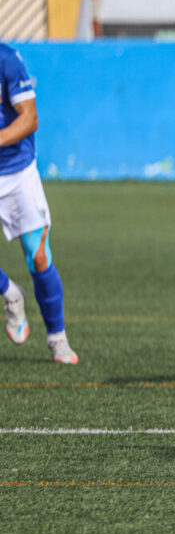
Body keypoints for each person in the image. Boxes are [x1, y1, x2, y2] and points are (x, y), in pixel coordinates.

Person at [0, 43, 77, 364]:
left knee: (39, 257)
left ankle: (57, 339)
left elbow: (29, 119)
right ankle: (10, 294)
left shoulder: (8, 59)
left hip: (17, 170)